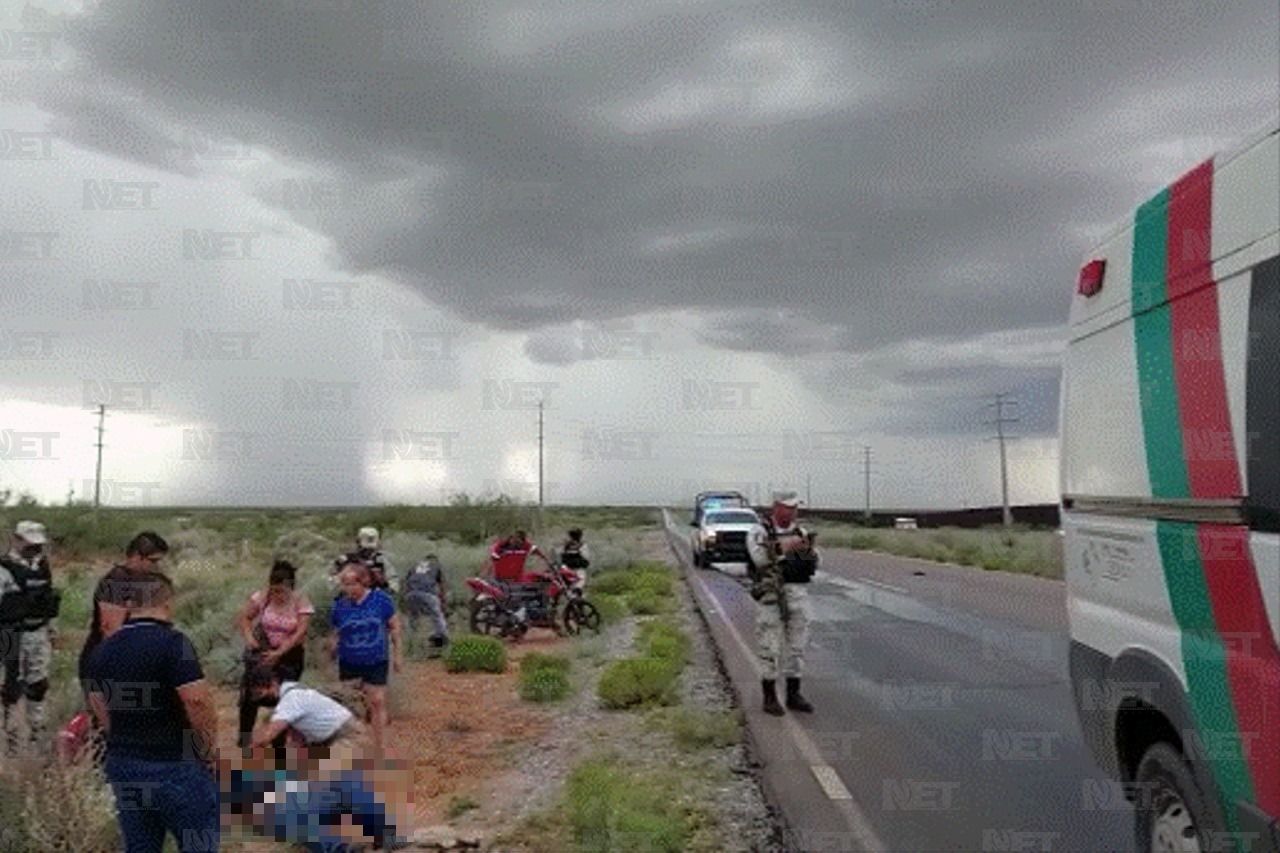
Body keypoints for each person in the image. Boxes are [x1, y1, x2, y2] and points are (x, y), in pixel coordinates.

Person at [85, 570, 220, 853]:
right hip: (174, 764)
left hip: (125, 764)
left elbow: (98, 705)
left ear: (131, 605)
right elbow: (197, 702)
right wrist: (207, 750)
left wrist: (123, 736)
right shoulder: (174, 644)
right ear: (168, 601)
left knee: (140, 845)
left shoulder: (102, 651)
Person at [746, 490, 818, 716]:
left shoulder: (801, 532)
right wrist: (787, 547)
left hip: (797, 592)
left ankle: (793, 694)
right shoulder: (759, 531)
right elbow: (759, 558)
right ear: (776, 507)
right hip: (771, 594)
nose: (792, 511)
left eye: (794, 507)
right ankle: (769, 696)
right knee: (769, 645)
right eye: (788, 507)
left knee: (797, 646)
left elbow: (816, 561)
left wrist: (807, 550)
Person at [79, 531, 170, 698]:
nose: (157, 566)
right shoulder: (115, 581)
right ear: (136, 556)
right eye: (153, 561)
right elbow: (111, 631)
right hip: (108, 664)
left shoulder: (146, 580)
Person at [237, 560, 314, 749]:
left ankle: (278, 745)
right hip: (263, 652)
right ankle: (245, 739)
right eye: (274, 590)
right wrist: (249, 639)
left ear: (290, 587)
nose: (277, 595)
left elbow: (300, 632)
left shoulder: (301, 602)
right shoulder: (262, 598)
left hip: (290, 657)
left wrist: (280, 652)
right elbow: (245, 617)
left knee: (282, 699)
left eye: (281, 591)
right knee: (250, 696)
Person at [0, 520, 61, 756]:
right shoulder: (4, 568)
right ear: (17, 539)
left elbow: (48, 600)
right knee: (10, 686)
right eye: (30, 542)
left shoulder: (42, 566)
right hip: (10, 634)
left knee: (38, 683)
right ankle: (10, 736)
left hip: (38, 633)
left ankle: (36, 729)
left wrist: (52, 629)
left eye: (38, 544)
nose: (35, 548)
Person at [328, 564, 402, 752]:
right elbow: (336, 631)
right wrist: (332, 647)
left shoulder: (381, 600)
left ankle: (380, 746)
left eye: (351, 584)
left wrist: (398, 655)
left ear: (363, 582)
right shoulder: (340, 606)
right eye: (344, 584)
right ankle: (354, 746)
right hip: (349, 660)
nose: (347, 589)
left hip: (375, 658)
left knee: (377, 700)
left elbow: (394, 626)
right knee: (351, 705)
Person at [244, 664, 360, 752]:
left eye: (260, 693)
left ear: (273, 684)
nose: (260, 699)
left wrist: (248, 755)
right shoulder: (290, 692)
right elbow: (296, 740)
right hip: (323, 738)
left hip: (345, 734)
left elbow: (266, 736)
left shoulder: (291, 699)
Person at [402, 554, 449, 653]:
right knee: (437, 616)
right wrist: (443, 602)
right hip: (427, 593)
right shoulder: (436, 565)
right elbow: (442, 586)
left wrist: (405, 599)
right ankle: (442, 641)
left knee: (413, 618)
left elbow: (405, 582)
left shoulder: (415, 566)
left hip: (410, 593)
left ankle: (411, 644)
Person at [330, 527, 398, 593]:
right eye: (365, 549)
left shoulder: (381, 561)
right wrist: (344, 588)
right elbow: (333, 579)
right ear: (358, 543)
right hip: (350, 597)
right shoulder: (346, 560)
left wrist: (388, 590)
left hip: (375, 598)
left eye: (371, 550)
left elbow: (393, 581)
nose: (368, 552)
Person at [486, 529, 552, 584]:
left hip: (518, 578)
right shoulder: (500, 546)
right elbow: (492, 558)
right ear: (511, 538)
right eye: (515, 540)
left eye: (520, 542)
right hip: (502, 580)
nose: (517, 543)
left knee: (539, 577)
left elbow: (537, 551)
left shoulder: (525, 545)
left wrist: (547, 560)